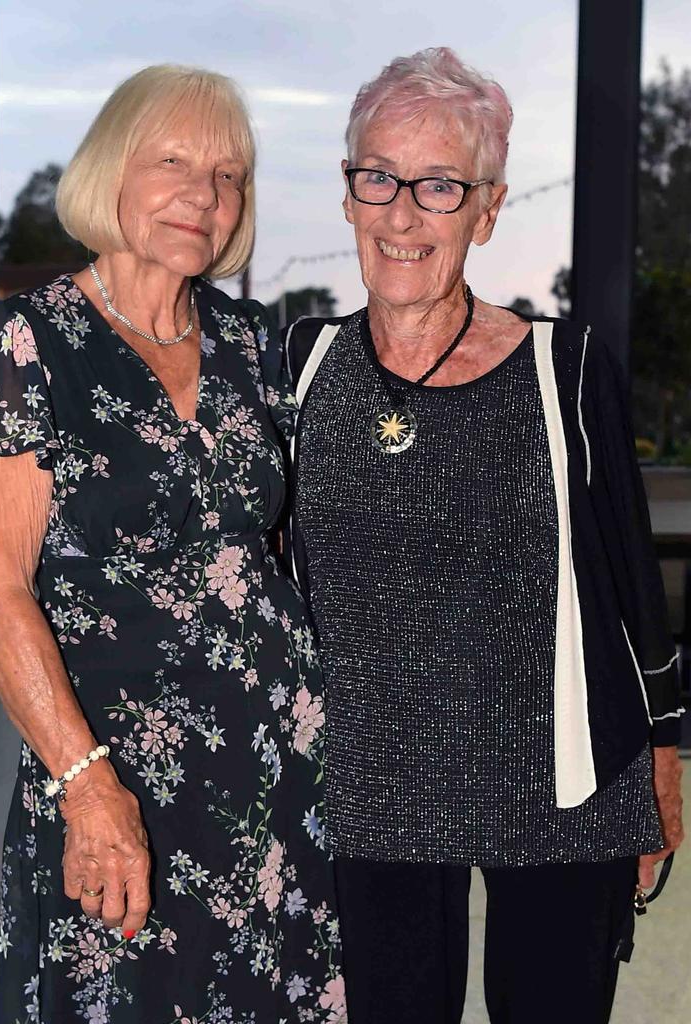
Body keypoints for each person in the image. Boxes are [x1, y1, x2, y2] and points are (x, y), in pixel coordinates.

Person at [0, 66, 345, 1024]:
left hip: (282, 785)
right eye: (173, 161)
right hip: (118, 784)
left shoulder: (251, 341)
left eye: (229, 175)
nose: (204, 194)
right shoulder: (23, 343)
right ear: (112, 171)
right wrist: (86, 789)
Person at [283, 47, 685, 1024]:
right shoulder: (297, 367)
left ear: (488, 207)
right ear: (348, 194)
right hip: (368, 791)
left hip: (560, 786)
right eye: (378, 177)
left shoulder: (566, 369)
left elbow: (631, 581)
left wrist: (664, 760)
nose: (403, 213)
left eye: (439, 186)